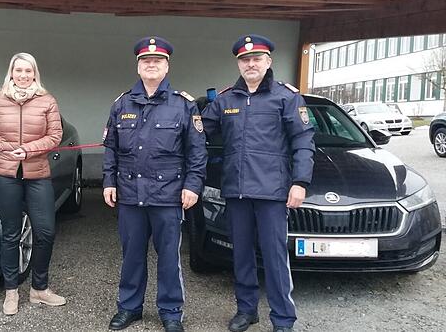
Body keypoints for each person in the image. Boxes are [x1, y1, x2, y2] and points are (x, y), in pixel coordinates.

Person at [201, 34, 315, 332]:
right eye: (245, 60)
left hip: (272, 193)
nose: (250, 64)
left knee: (275, 257)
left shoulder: (286, 97)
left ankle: (282, 319)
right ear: (238, 64)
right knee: (240, 254)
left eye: (256, 58)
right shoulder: (226, 100)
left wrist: (300, 181)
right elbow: (197, 132)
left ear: (268, 62)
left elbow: (303, 141)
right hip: (237, 192)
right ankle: (246, 310)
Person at [102, 37, 207, 332]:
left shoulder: (183, 105)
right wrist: (109, 181)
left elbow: (197, 152)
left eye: (157, 61)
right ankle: (129, 307)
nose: (151, 65)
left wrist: (193, 185)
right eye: (146, 61)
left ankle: (171, 311)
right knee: (132, 256)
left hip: (169, 196)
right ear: (138, 66)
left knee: (169, 258)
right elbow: (110, 147)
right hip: (129, 194)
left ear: (167, 66)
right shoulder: (121, 103)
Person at [0, 52, 65, 316]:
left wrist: (29, 150)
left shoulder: (47, 100)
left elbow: (55, 135)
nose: (23, 75)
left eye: (28, 71)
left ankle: (40, 289)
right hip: (4, 173)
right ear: (11, 72)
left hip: (37, 173)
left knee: (45, 231)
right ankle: (11, 291)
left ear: (35, 73)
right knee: (11, 233)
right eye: (18, 70)